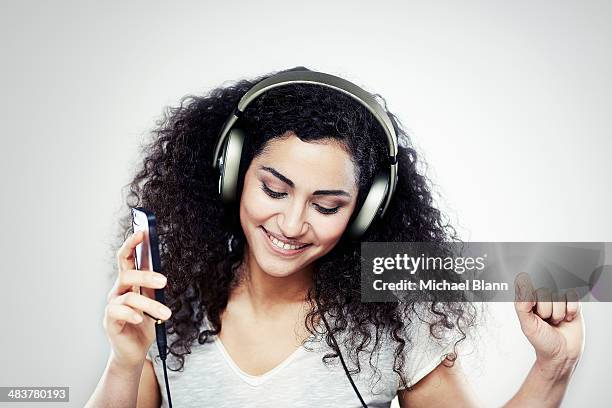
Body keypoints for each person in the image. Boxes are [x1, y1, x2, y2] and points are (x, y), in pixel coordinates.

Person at [85, 67, 585, 407]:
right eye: (274, 190)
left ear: (365, 213)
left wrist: (554, 367)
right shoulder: (166, 307)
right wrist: (124, 363)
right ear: (233, 175)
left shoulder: (393, 320)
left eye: (326, 206)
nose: (292, 224)